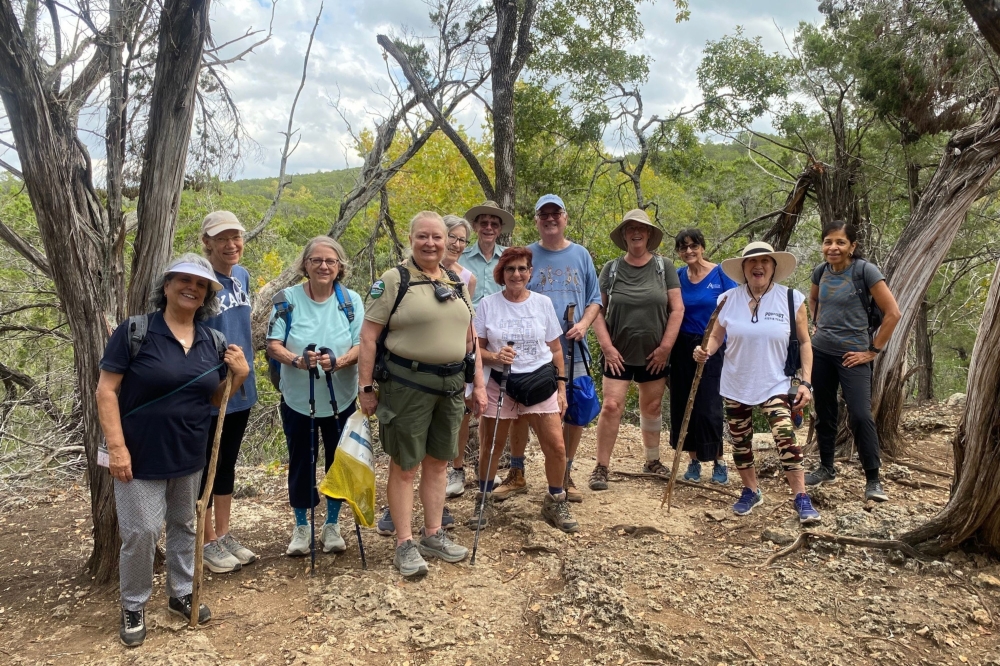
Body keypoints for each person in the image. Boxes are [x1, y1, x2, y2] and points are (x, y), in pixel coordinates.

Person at [97, 254, 250, 648]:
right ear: (166, 286)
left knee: (185, 525)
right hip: (138, 454)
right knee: (142, 532)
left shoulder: (211, 341)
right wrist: (116, 448)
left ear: (206, 296)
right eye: (184, 280)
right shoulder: (136, 332)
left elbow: (215, 401)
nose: (192, 288)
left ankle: (181, 593)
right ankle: (133, 604)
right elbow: (106, 390)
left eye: (200, 285)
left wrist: (240, 376)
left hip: (189, 452)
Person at [359, 211, 487, 578]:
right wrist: (366, 389)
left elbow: (470, 339)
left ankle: (433, 534)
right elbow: (368, 337)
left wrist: (477, 384)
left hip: (450, 387)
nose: (431, 243)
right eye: (423, 237)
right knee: (404, 465)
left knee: (438, 462)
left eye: (438, 237)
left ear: (448, 241)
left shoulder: (456, 281)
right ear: (411, 239)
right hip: (406, 387)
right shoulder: (393, 280)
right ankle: (404, 543)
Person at [693, 241, 821, 525]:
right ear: (743, 268)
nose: (758, 266)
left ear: (774, 267)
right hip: (736, 382)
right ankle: (751, 490)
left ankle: (801, 496)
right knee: (740, 442)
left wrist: (806, 383)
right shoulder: (727, 299)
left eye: (765, 261)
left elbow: (804, 343)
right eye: (752, 262)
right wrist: (705, 351)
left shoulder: (792, 299)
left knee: (785, 436)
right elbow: (716, 336)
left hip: (775, 382)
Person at [494, 194, 601, 504]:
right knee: (520, 410)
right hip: (530, 348)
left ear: (565, 217)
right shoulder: (527, 255)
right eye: (544, 214)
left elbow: (595, 298)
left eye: (556, 213)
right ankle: (517, 472)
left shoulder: (580, 255)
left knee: (574, 409)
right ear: (537, 219)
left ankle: (564, 472)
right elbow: (511, 294)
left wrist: (583, 324)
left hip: (572, 346)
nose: (550, 219)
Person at [266, 236, 364, 558]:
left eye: (331, 261)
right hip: (298, 399)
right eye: (316, 260)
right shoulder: (287, 299)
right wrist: (297, 360)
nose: (324, 266)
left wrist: (340, 362)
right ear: (305, 265)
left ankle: (332, 525)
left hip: (342, 397)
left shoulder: (350, 301)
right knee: (301, 462)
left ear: (340, 267)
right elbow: (273, 343)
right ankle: (302, 527)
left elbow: (362, 346)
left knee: (338, 463)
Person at [471, 246, 578, 533]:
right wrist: (496, 357)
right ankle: (483, 499)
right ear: (501, 273)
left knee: (556, 446)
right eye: (510, 269)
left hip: (539, 381)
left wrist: (562, 388)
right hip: (499, 382)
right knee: (491, 447)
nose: (516, 274)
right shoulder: (487, 305)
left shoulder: (542, 304)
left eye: (522, 269)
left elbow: (556, 349)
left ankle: (556, 498)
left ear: (530, 272)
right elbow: (476, 349)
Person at [805, 220, 901, 501]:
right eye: (828, 242)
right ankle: (826, 468)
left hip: (854, 355)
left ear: (852, 246)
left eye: (840, 242)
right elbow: (813, 299)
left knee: (860, 414)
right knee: (824, 411)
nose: (833, 247)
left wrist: (873, 350)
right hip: (821, 351)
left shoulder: (865, 271)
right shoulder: (820, 271)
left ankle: (873, 479)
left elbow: (893, 313)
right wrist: (816, 323)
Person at [589, 210, 683, 491]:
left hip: (655, 353)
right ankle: (601, 466)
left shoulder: (663, 267)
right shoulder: (611, 269)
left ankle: (652, 461)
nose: (636, 232)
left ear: (650, 234)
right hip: (618, 353)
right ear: (624, 234)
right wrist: (607, 348)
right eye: (630, 228)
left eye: (641, 228)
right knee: (611, 405)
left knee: (652, 406)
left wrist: (666, 347)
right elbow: (596, 310)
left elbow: (677, 308)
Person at [196, 211, 259, 574]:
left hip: (243, 381)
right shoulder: (201, 280)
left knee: (227, 462)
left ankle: (223, 534)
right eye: (222, 238)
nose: (231, 245)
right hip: (212, 385)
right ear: (207, 242)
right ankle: (204, 541)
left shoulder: (242, 275)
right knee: (205, 463)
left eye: (236, 237)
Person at [669, 228, 738, 485]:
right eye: (683, 247)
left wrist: (715, 345)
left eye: (693, 246)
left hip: (713, 343)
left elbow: (734, 306)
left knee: (708, 405)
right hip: (683, 344)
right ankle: (693, 460)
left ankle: (719, 461)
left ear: (702, 246)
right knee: (683, 402)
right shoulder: (678, 277)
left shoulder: (720, 274)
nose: (688, 251)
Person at [442, 214, 478, 499]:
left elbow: (469, 323)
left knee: (461, 415)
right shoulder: (408, 272)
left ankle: (456, 468)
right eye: (451, 236)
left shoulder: (466, 278)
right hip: (421, 361)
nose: (456, 244)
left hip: (456, 358)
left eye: (462, 240)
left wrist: (473, 369)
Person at [461, 200, 513, 305]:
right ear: (475, 226)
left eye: (494, 224)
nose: (489, 228)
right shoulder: (460, 257)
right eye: (484, 223)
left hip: (500, 318)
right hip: (469, 319)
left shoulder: (510, 257)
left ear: (499, 230)